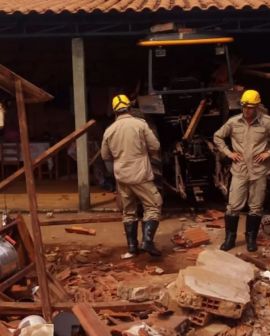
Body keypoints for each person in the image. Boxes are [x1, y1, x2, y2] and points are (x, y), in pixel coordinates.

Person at [101, 94, 162, 257]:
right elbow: (155, 145)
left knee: (128, 211)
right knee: (153, 206)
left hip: (121, 176)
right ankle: (147, 241)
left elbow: (105, 156)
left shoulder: (109, 130)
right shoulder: (140, 124)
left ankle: (132, 247)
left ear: (115, 112)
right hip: (140, 174)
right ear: (129, 108)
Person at [214, 89, 270, 252]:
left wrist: (268, 153)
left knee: (256, 207)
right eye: (245, 107)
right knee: (233, 206)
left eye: (251, 107)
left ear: (257, 106)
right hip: (239, 171)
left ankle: (251, 239)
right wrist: (228, 153)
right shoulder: (233, 122)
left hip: (259, 172)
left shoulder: (266, 122)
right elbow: (217, 137)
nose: (247, 110)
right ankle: (230, 239)